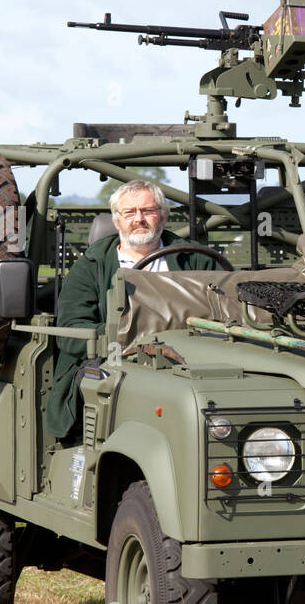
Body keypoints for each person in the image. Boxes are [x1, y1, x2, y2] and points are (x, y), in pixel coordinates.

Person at [45, 179, 221, 439]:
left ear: (163, 215)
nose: (139, 219)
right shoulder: (91, 267)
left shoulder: (195, 259)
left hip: (192, 361)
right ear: (117, 221)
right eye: (129, 212)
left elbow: (227, 309)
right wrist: (127, 337)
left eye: (148, 210)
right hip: (115, 362)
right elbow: (71, 331)